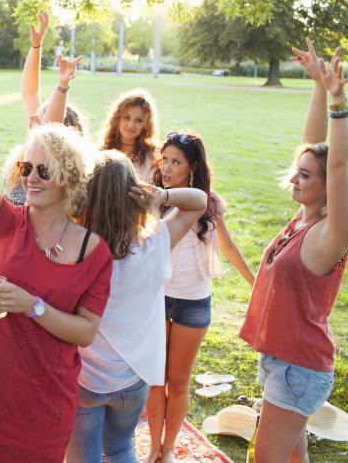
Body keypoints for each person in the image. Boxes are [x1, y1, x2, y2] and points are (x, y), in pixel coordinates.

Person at [0, 22, 113, 463]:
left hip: (46, 396)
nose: (31, 178)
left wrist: (30, 304)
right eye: (27, 168)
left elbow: (86, 330)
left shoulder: (93, 250)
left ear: (69, 178)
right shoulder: (2, 222)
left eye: (43, 171)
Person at [240, 40, 348, 463]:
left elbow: (337, 164)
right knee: (291, 458)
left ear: (329, 187)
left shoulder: (331, 233)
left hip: (298, 368)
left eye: (304, 176)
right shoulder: (304, 218)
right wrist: (319, 88)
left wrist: (340, 103)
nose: (293, 179)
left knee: (263, 457)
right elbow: (314, 149)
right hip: (281, 360)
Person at [65, 150, 208, 463]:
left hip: (85, 379)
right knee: (120, 449)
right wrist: (162, 196)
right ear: (135, 193)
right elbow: (199, 200)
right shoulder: (155, 242)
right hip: (133, 381)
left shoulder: (75, 246)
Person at [145, 130, 254, 463]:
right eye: (165, 160)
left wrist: (256, 282)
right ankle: (152, 447)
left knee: (178, 382)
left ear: (193, 167)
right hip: (156, 300)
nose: (167, 168)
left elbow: (229, 247)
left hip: (193, 304)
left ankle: (168, 449)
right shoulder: (155, 199)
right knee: (154, 380)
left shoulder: (209, 201)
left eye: (176, 162)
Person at [6, 11, 85, 206]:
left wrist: (62, 86)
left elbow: (52, 124)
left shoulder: (50, 167)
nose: (32, 118)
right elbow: (29, 91)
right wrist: (36, 46)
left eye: (40, 120)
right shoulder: (30, 156)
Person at [98, 90, 160, 182]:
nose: (131, 125)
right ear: (117, 118)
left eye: (139, 120)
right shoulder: (101, 152)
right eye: (127, 117)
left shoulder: (154, 155)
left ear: (146, 124)